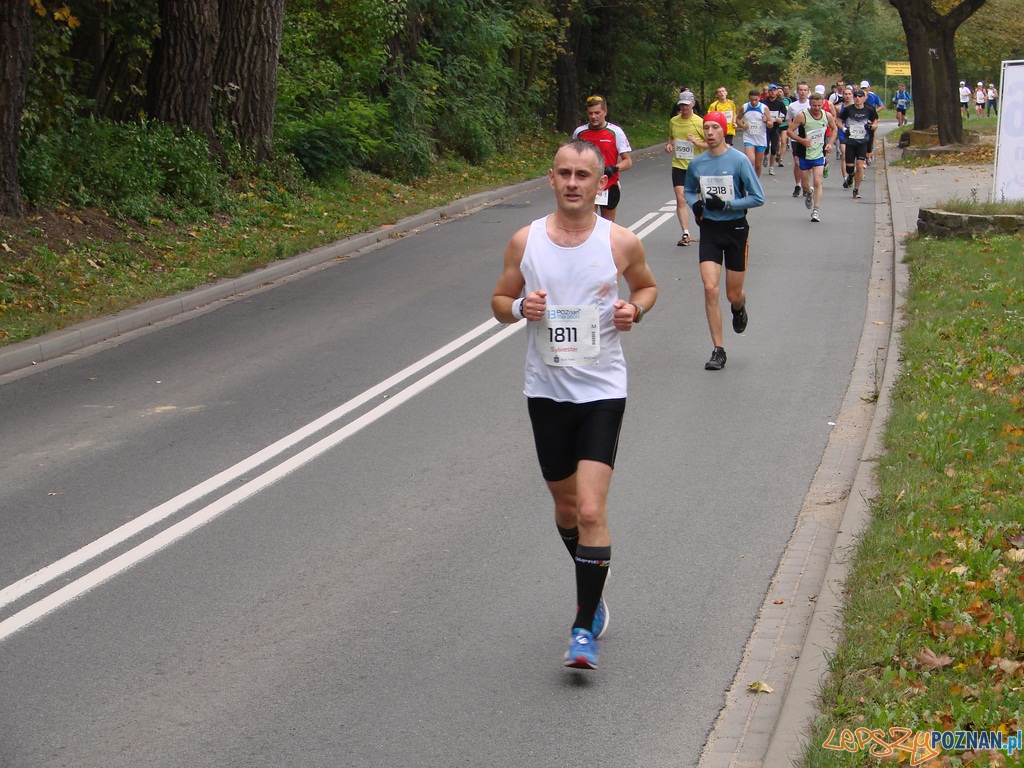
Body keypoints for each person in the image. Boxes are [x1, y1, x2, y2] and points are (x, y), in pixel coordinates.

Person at [491, 139, 658, 670]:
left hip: (603, 390)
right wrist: (520, 306)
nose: (572, 183)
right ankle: (596, 588)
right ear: (551, 178)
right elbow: (498, 302)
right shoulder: (526, 241)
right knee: (565, 509)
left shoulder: (620, 241)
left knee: (590, 508)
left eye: (583, 175)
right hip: (546, 391)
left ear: (601, 181)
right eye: (564, 173)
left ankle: (583, 626)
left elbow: (648, 288)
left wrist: (635, 309)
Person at [683, 112, 765, 371]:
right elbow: (687, 189)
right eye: (706, 127)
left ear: (724, 130)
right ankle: (718, 349)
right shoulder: (697, 163)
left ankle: (739, 308)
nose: (709, 132)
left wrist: (727, 204)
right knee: (710, 288)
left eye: (714, 127)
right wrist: (695, 204)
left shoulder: (739, 160)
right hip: (709, 229)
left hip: (736, 228)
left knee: (732, 294)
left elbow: (757, 197)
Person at [573, 95, 633, 223]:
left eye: (597, 113)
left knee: (607, 226)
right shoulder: (579, 132)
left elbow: (628, 162)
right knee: (588, 224)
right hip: (586, 185)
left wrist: (614, 168)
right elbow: (573, 157)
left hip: (608, 184)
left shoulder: (615, 132)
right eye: (590, 113)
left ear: (605, 112)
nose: (594, 117)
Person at [666, 91, 708, 246]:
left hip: (696, 166)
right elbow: (671, 137)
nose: (683, 107)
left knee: (696, 203)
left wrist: (696, 142)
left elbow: (709, 144)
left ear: (693, 104)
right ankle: (685, 233)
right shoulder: (674, 121)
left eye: (686, 104)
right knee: (680, 197)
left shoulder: (700, 122)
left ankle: (702, 226)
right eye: (681, 104)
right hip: (678, 165)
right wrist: (670, 144)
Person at [787, 92, 836, 222]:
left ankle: (816, 210)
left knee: (817, 181)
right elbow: (789, 131)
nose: (816, 108)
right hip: (805, 153)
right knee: (805, 183)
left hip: (819, 153)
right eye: (814, 105)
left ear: (822, 104)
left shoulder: (827, 116)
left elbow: (835, 129)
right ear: (810, 104)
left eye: (819, 105)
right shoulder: (802, 116)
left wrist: (830, 143)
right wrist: (801, 140)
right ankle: (809, 192)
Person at [837, 87, 878, 200]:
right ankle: (850, 177)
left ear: (865, 98)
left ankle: (856, 189)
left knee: (860, 165)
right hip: (850, 141)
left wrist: (871, 126)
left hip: (862, 142)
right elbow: (838, 120)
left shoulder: (869, 110)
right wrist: (844, 129)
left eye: (860, 96)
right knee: (850, 168)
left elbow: (875, 123)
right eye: (855, 96)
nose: (857, 98)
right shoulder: (848, 109)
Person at [738, 88, 773, 178]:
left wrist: (765, 121)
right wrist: (742, 126)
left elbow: (771, 124)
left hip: (760, 138)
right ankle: (749, 181)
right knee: (750, 161)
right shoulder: (745, 107)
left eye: (756, 100)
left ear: (759, 99)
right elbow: (738, 119)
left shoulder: (764, 108)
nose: (753, 102)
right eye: (751, 100)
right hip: (749, 137)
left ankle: (756, 182)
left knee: (758, 165)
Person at [785, 82, 812, 196]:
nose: (803, 92)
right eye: (800, 90)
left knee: (807, 163)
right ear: (797, 91)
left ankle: (806, 184)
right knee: (797, 162)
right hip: (796, 138)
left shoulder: (811, 105)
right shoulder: (793, 106)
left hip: (808, 137)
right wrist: (792, 129)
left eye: (805, 90)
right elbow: (788, 119)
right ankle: (798, 185)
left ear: (808, 91)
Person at [761, 84, 787, 175]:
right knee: (766, 146)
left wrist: (781, 120)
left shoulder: (780, 103)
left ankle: (771, 167)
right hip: (765, 128)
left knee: (774, 148)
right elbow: (758, 113)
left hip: (775, 128)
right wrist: (763, 118)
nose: (772, 92)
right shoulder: (763, 102)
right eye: (771, 90)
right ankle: (765, 155)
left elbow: (784, 115)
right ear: (768, 92)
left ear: (777, 92)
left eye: (774, 90)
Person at [860, 81, 883, 164]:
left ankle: (870, 153)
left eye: (865, 88)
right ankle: (863, 155)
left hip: (871, 118)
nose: (864, 90)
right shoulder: (858, 96)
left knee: (871, 136)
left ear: (869, 88)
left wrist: (873, 112)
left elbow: (882, 106)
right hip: (862, 118)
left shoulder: (873, 96)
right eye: (862, 88)